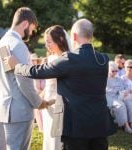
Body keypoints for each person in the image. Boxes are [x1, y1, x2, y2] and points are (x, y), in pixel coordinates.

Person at [7, 19, 116, 150]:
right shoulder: (104, 59)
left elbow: (38, 71)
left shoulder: (69, 59)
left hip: (75, 126)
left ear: (74, 36)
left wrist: (16, 66)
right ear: (91, 36)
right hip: (99, 123)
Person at [0, 7, 49, 150]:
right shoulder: (18, 45)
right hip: (19, 112)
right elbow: (25, 82)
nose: (32, 32)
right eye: (32, 28)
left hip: (1, 109)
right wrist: (38, 102)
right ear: (25, 24)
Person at [106, 61, 132, 133]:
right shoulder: (105, 79)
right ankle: (125, 125)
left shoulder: (118, 79)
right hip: (109, 97)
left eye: (116, 71)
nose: (115, 73)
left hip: (119, 96)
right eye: (113, 71)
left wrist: (125, 92)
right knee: (121, 105)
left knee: (128, 102)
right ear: (108, 70)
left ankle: (130, 123)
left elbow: (122, 89)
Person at [121, 59, 132, 130]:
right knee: (130, 104)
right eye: (128, 67)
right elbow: (121, 91)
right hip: (126, 97)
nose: (130, 69)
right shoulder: (122, 78)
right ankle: (131, 123)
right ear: (125, 67)